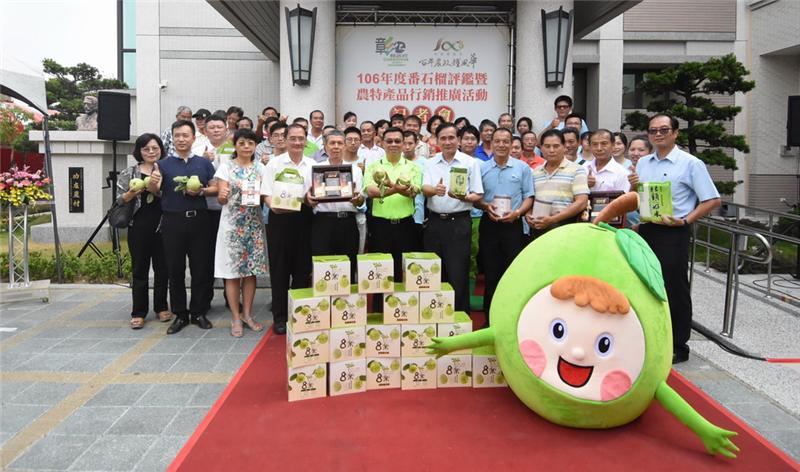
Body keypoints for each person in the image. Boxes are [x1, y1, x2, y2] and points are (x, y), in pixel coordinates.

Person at [629, 114, 721, 364]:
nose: (658, 134)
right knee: (646, 283)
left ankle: (679, 345)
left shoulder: (690, 163)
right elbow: (640, 197)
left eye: (663, 130)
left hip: (674, 231)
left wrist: (686, 220)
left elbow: (712, 200)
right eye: (653, 131)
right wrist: (634, 187)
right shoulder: (644, 163)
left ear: (675, 132)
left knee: (674, 287)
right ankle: (651, 337)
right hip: (647, 229)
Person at [146, 120, 217, 335]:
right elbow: (154, 190)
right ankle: (180, 313)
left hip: (200, 220)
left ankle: (198, 311)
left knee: (201, 268)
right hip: (172, 221)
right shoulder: (163, 164)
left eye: (186, 135)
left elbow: (215, 187)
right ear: (173, 138)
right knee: (174, 269)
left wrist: (202, 192)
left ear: (194, 138)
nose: (181, 139)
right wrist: (152, 180)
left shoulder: (203, 163)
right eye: (177, 135)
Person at [422, 123, 484, 312]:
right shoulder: (429, 162)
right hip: (433, 223)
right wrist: (434, 190)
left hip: (459, 223)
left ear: (458, 140)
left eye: (451, 138)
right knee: (433, 272)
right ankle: (434, 315)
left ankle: (458, 317)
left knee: (458, 272)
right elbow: (424, 188)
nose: (447, 142)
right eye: (443, 138)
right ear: (437, 140)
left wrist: (463, 197)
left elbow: (477, 195)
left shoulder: (470, 162)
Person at [261, 124, 316, 335]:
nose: (297, 142)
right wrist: (271, 204)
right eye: (292, 138)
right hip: (279, 218)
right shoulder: (274, 164)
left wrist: (312, 200)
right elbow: (265, 192)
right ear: (285, 139)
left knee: (302, 270)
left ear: (306, 140)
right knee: (280, 270)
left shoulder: (312, 165)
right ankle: (280, 316)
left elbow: (315, 193)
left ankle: (300, 314)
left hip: (304, 217)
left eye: (301, 138)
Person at [476, 127, 533, 325]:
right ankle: (489, 320)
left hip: (513, 225)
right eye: (497, 141)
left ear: (512, 144)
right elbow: (476, 198)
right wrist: (485, 205)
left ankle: (511, 320)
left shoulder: (522, 168)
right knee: (490, 274)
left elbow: (529, 197)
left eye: (505, 141)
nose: (501, 145)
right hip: (489, 223)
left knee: (512, 274)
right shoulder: (481, 168)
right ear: (491, 143)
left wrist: (517, 213)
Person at [214, 128, 267, 337]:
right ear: (235, 145)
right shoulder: (226, 167)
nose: (246, 147)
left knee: (251, 272)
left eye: (250, 143)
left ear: (255, 147)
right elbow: (221, 198)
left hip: (253, 225)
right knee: (233, 273)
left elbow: (266, 195)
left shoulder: (261, 168)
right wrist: (223, 195)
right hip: (232, 227)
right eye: (242, 143)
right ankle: (235, 317)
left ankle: (247, 314)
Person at [117, 134, 172, 329]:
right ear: (139, 151)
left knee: (162, 268)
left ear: (161, 150)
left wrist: (155, 189)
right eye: (146, 149)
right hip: (138, 226)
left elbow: (172, 198)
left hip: (163, 226)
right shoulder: (130, 172)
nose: (151, 152)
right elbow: (119, 199)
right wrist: (134, 192)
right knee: (139, 269)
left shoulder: (167, 170)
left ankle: (161, 307)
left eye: (155, 148)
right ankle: (139, 312)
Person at [364, 127, 422, 309]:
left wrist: (388, 186)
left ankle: (401, 311)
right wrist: (396, 188)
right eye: (389, 141)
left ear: (404, 144)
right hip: (380, 226)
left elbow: (413, 192)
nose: (394, 144)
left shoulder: (413, 167)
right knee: (380, 271)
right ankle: (380, 311)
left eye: (398, 141)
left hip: (405, 225)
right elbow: (372, 191)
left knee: (403, 271)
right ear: (381, 143)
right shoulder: (374, 166)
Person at [307, 130, 365, 278]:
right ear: (325, 147)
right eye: (332, 143)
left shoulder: (355, 170)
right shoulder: (315, 169)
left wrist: (358, 199)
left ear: (345, 146)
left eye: (340, 143)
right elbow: (306, 196)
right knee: (322, 267)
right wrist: (308, 199)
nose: (336, 147)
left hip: (347, 222)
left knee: (347, 269)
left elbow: (361, 200)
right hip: (322, 222)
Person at [525, 129, 590, 240]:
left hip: (565, 228)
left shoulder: (576, 170)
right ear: (541, 148)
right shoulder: (535, 172)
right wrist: (528, 215)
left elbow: (582, 202)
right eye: (547, 146)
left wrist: (553, 219)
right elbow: (530, 199)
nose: (551, 150)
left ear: (564, 147)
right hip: (538, 228)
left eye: (556, 146)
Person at [203, 114, 233, 310]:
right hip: (206, 210)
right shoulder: (198, 150)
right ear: (205, 131)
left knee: (229, 254)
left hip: (229, 209)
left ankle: (230, 297)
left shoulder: (234, 149)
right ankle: (205, 297)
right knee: (205, 254)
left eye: (219, 127)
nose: (215, 130)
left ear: (226, 129)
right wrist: (204, 162)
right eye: (211, 127)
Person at [343, 126, 368, 253]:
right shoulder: (336, 162)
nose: (353, 143)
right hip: (338, 212)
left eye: (356, 140)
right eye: (349, 139)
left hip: (359, 212)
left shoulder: (364, 163)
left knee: (357, 253)